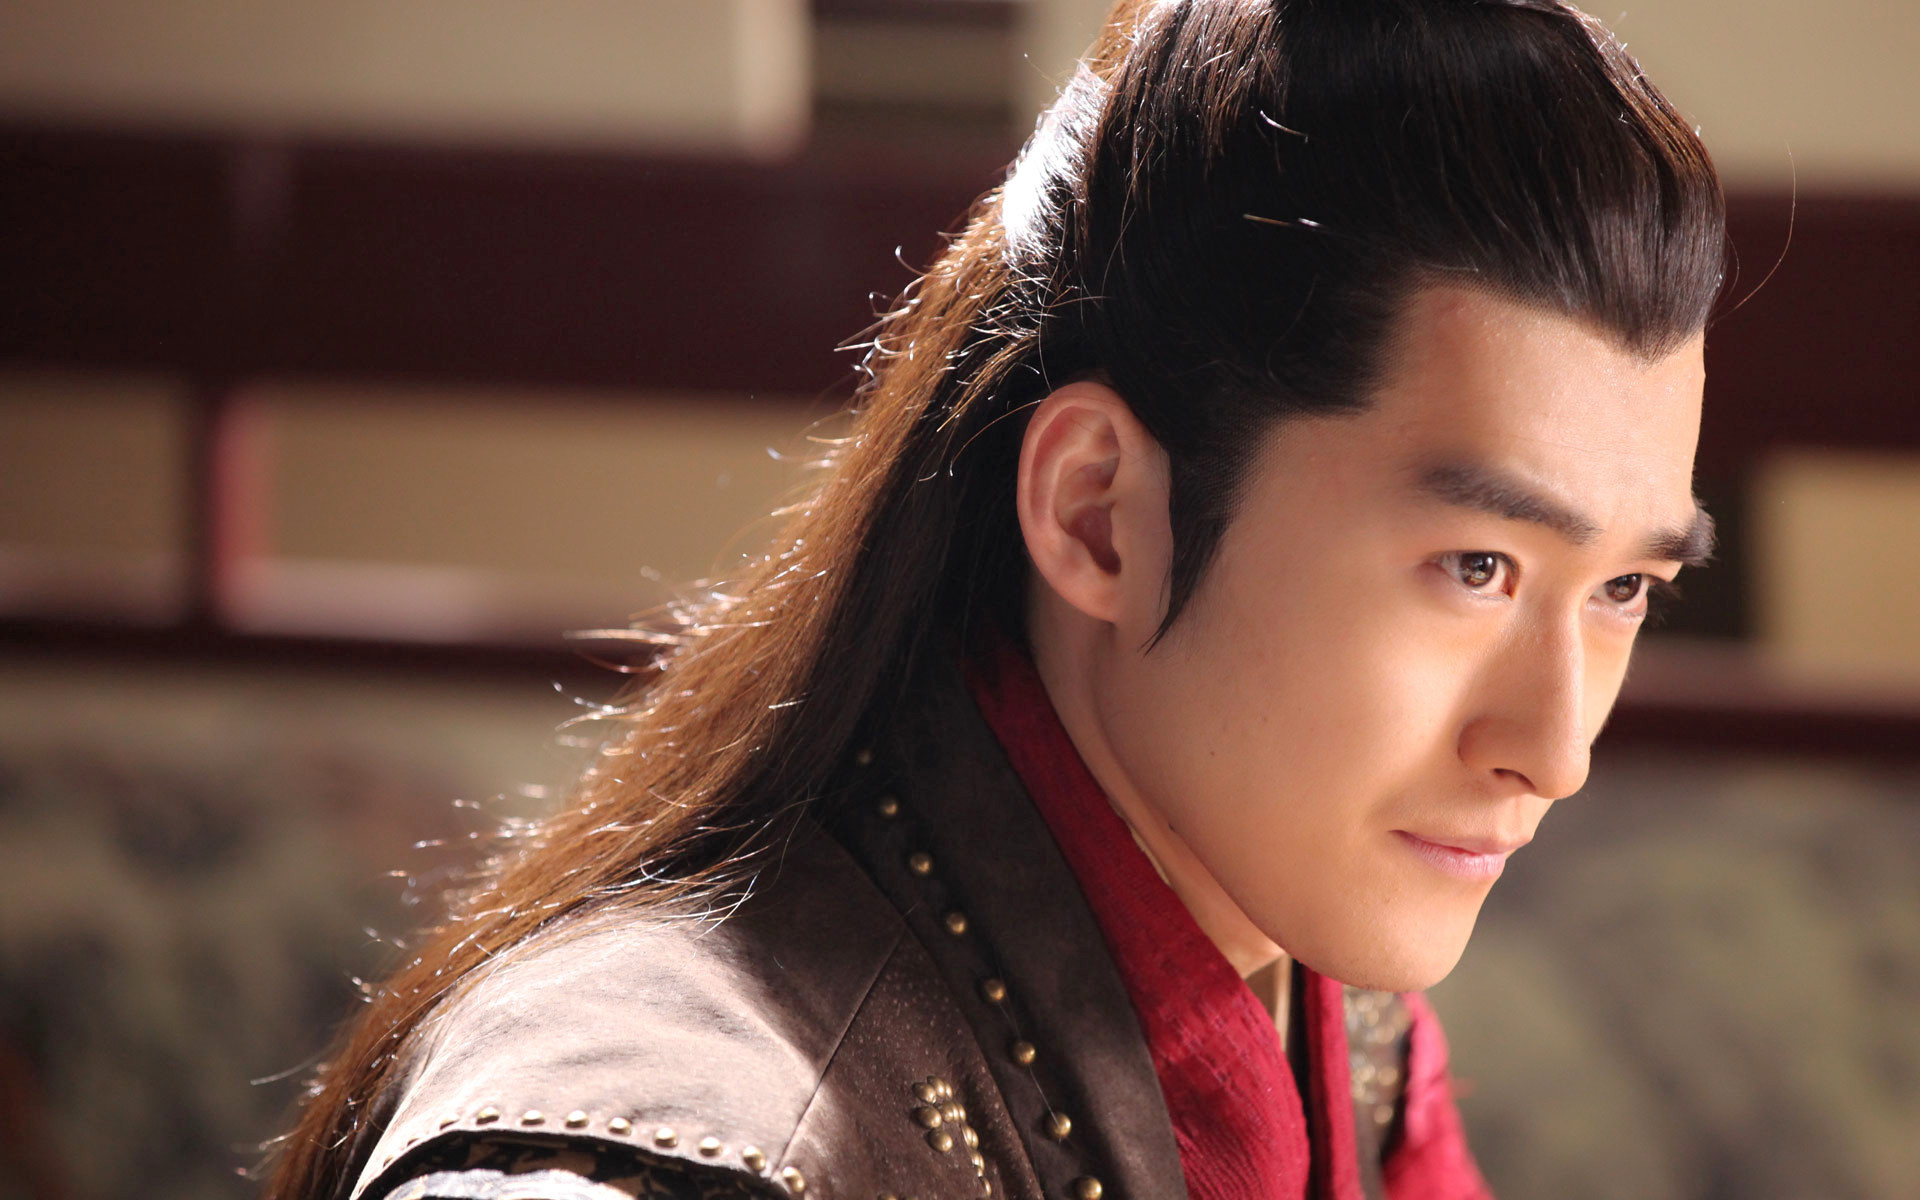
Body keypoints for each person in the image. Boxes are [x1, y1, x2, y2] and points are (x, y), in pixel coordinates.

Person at [266, 1, 1725, 1197]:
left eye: (1623, 589)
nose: (1556, 750)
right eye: (1477, 569)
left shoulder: (1335, 1025)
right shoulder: (668, 1150)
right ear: (1100, 514)